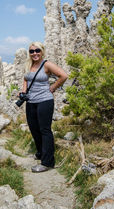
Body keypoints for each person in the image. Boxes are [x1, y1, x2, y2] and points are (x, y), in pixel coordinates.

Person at [21, 41, 68, 173]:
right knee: (34, 129)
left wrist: (52, 87)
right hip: (30, 102)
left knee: (44, 130)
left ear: (42, 51)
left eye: (37, 50)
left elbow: (63, 76)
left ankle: (47, 162)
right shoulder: (29, 64)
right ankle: (41, 153)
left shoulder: (46, 64)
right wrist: (23, 92)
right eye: (32, 51)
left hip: (44, 101)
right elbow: (25, 79)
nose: (34, 53)